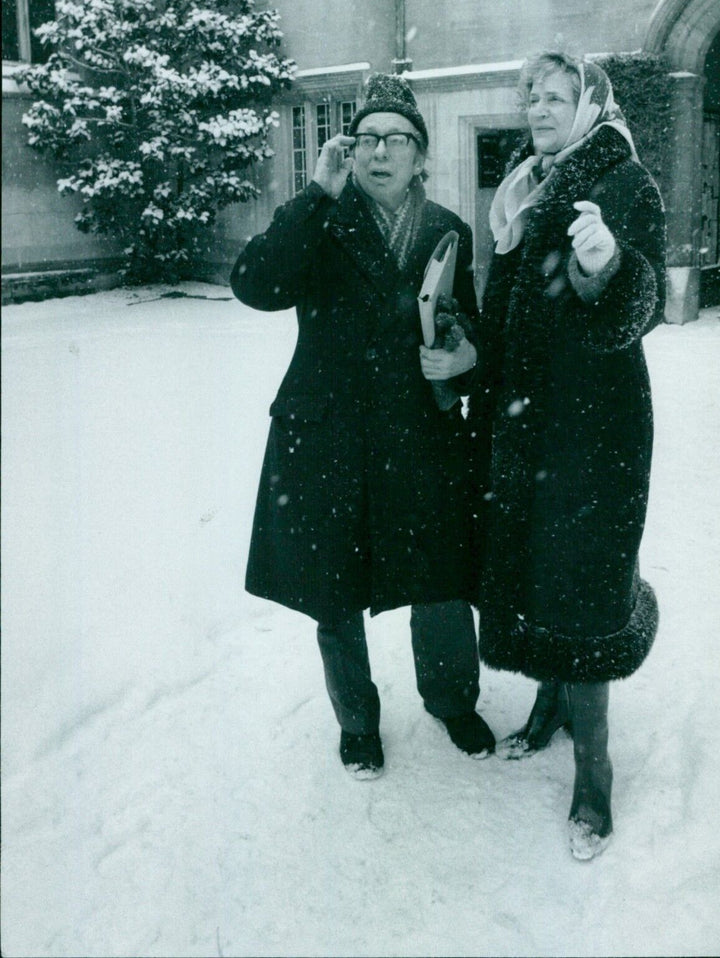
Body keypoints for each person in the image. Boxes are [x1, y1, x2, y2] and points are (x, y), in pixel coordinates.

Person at [231, 74, 495, 779]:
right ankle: (356, 721)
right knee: (335, 586)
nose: (380, 152)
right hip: (331, 436)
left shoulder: (446, 229)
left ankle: (450, 698)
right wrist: (314, 194)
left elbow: (466, 321)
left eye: (397, 139)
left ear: (420, 156)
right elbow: (256, 284)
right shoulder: (321, 220)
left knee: (439, 574)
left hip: (420, 433)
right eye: (367, 138)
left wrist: (464, 356)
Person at [473, 51, 666, 859]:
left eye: (556, 95)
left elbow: (640, 308)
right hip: (527, 421)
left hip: (595, 428)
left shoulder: (624, 183)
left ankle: (595, 776)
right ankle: (550, 707)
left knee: (583, 587)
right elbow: (506, 304)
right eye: (531, 95)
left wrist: (606, 269)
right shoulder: (524, 186)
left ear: (589, 101)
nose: (540, 107)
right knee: (533, 571)